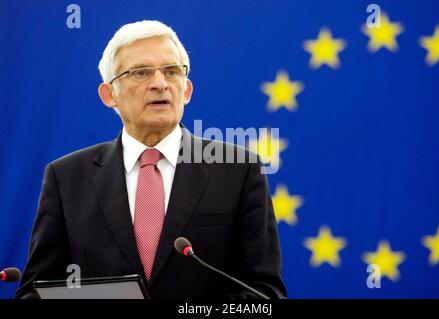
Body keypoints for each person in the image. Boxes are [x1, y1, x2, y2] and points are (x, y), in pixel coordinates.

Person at [15, 20, 286, 299]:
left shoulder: (238, 169)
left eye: (171, 72)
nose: (160, 84)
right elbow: (35, 292)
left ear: (187, 90)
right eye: (141, 72)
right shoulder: (66, 177)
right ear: (109, 95)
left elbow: (264, 293)